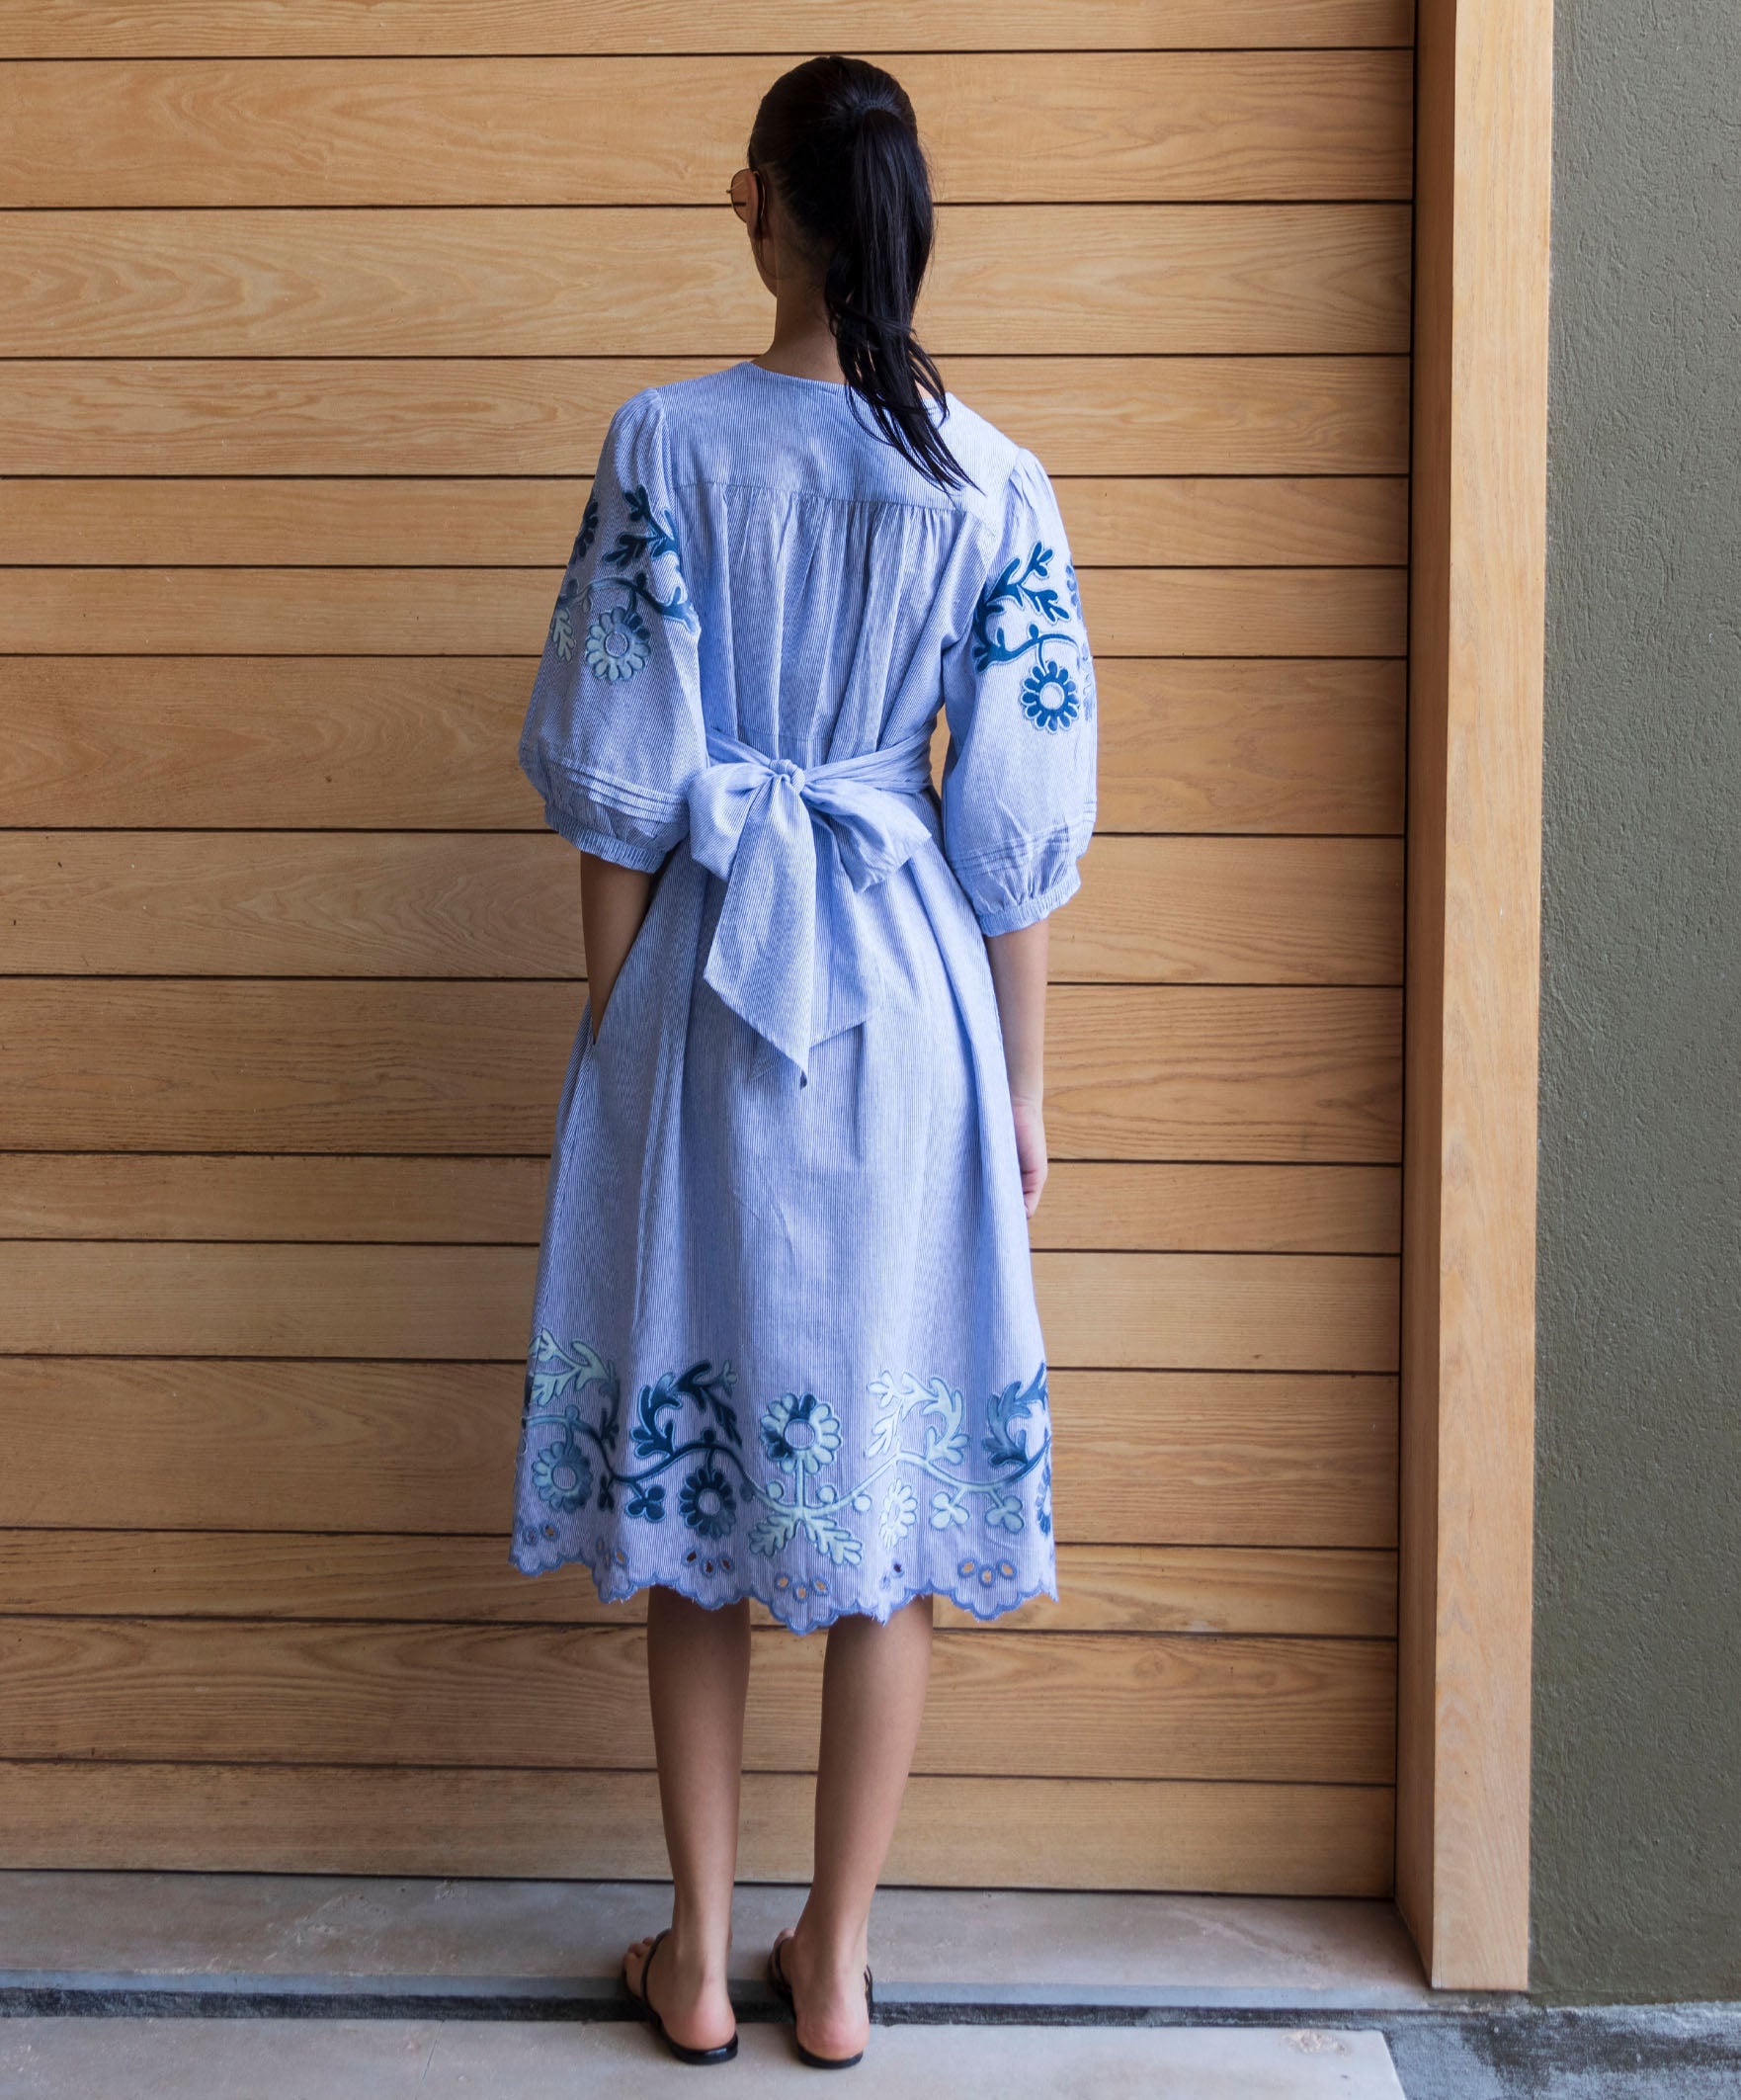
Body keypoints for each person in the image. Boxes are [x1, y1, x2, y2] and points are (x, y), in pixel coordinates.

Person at [508, 52, 1098, 2071]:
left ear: (749, 202)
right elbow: (1015, 829)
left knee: (700, 1478)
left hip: (705, 986)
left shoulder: (661, 443)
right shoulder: (989, 476)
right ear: (908, 220)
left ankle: (692, 1956)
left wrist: (614, 1038)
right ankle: (831, 1959)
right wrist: (1020, 1087)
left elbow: (613, 788)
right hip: (912, 1010)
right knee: (878, 1489)